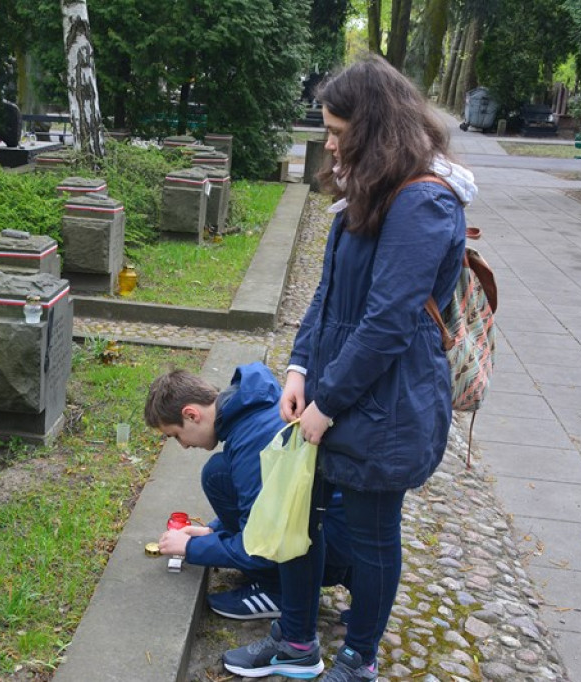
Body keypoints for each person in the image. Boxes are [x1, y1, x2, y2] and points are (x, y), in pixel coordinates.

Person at [222, 54, 477, 681]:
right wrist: (299, 368)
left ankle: (359, 658)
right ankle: (298, 644)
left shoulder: (424, 202)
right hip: (334, 387)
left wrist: (327, 406)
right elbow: (327, 294)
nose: (329, 142)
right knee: (299, 516)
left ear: (376, 129)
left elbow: (389, 321)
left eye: (338, 131)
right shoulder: (365, 185)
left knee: (370, 532)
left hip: (385, 402)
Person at [144, 363, 352, 620]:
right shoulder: (251, 407)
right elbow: (262, 502)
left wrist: (192, 547)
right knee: (218, 472)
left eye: (176, 435)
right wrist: (214, 531)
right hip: (334, 531)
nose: (183, 446)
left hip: (323, 550)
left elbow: (263, 545)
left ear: (191, 415)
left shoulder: (252, 442)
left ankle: (279, 592)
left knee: (217, 473)